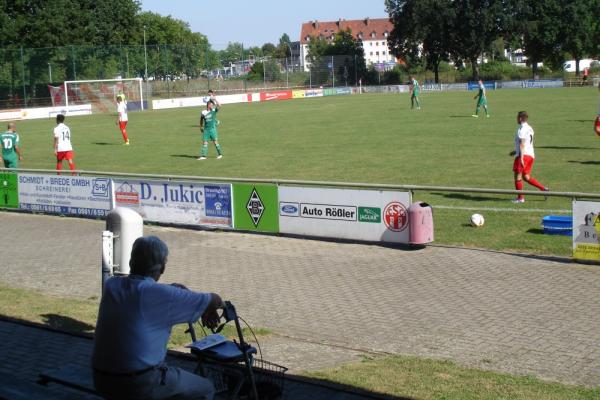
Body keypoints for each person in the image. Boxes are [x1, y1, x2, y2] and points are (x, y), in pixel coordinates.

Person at [92, 236, 221, 400]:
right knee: (206, 388)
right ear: (162, 268)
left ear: (132, 262)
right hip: (139, 383)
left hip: (101, 380)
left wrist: (177, 290)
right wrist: (207, 308)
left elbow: (145, 291)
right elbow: (215, 299)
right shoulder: (161, 296)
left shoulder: (112, 285)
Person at [511, 111, 548, 203]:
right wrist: (515, 151)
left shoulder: (522, 129)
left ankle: (520, 198)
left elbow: (522, 143)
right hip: (531, 155)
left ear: (520, 118)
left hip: (523, 155)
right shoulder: (530, 128)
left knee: (517, 176)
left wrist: (521, 157)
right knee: (526, 177)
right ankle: (544, 189)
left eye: (517, 117)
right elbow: (527, 143)